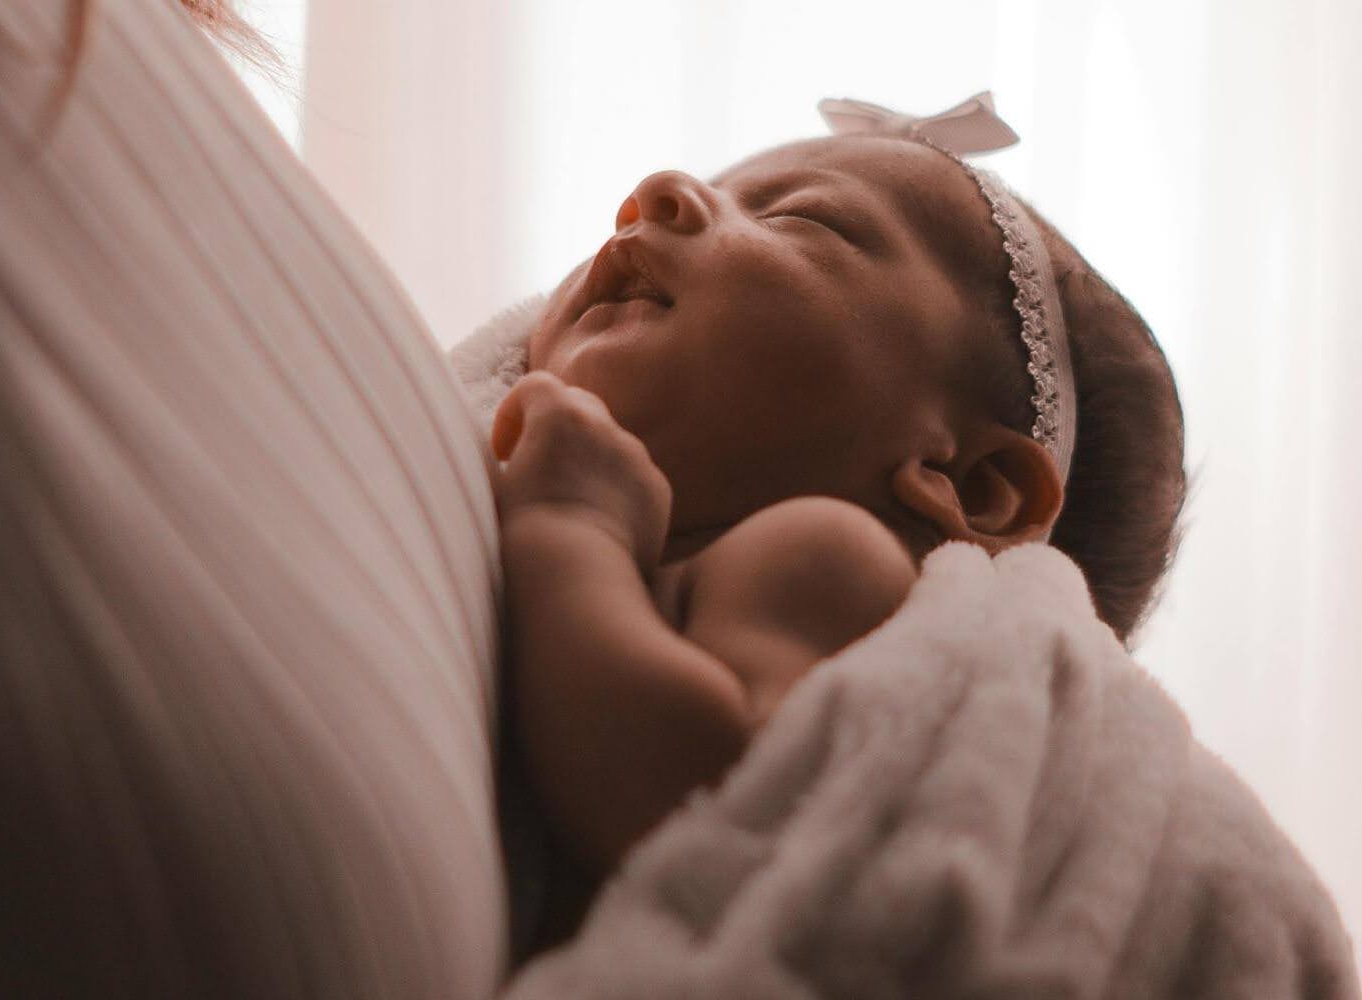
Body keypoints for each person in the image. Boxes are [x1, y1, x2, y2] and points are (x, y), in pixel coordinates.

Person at [490, 95, 1187, 952]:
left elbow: (693, 807)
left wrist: (570, 524)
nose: (657, 195)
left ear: (972, 484)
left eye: (801, 218)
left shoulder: (821, 556)